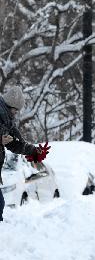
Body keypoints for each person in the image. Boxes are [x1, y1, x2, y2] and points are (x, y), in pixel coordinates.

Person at [1, 86, 49, 222]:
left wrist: (33, 150)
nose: (15, 114)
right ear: (10, 106)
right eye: (15, 110)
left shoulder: (6, 122)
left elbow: (14, 144)